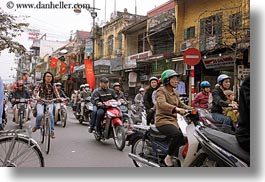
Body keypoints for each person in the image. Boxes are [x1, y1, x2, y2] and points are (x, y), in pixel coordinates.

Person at [155, 69, 192, 167]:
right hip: (162, 120)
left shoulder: (175, 92)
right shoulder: (161, 90)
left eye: (177, 79)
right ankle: (169, 156)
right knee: (177, 135)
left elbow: (181, 104)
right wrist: (176, 109)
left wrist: (193, 109)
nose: (176, 81)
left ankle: (177, 156)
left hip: (174, 121)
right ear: (167, 80)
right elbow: (162, 104)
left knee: (185, 138)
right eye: (173, 79)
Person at [32, 71, 61, 139]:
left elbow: (56, 93)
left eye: (50, 77)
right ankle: (37, 126)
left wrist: (59, 98)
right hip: (41, 102)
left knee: (50, 114)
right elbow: (35, 91)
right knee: (40, 114)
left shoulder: (53, 85)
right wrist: (36, 96)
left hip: (50, 102)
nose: (49, 78)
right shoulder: (40, 84)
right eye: (47, 76)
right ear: (44, 77)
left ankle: (52, 132)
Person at [235, 75, 250, 152]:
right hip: (248, 134)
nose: (227, 84)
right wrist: (226, 104)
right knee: (226, 119)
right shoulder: (216, 92)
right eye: (226, 82)